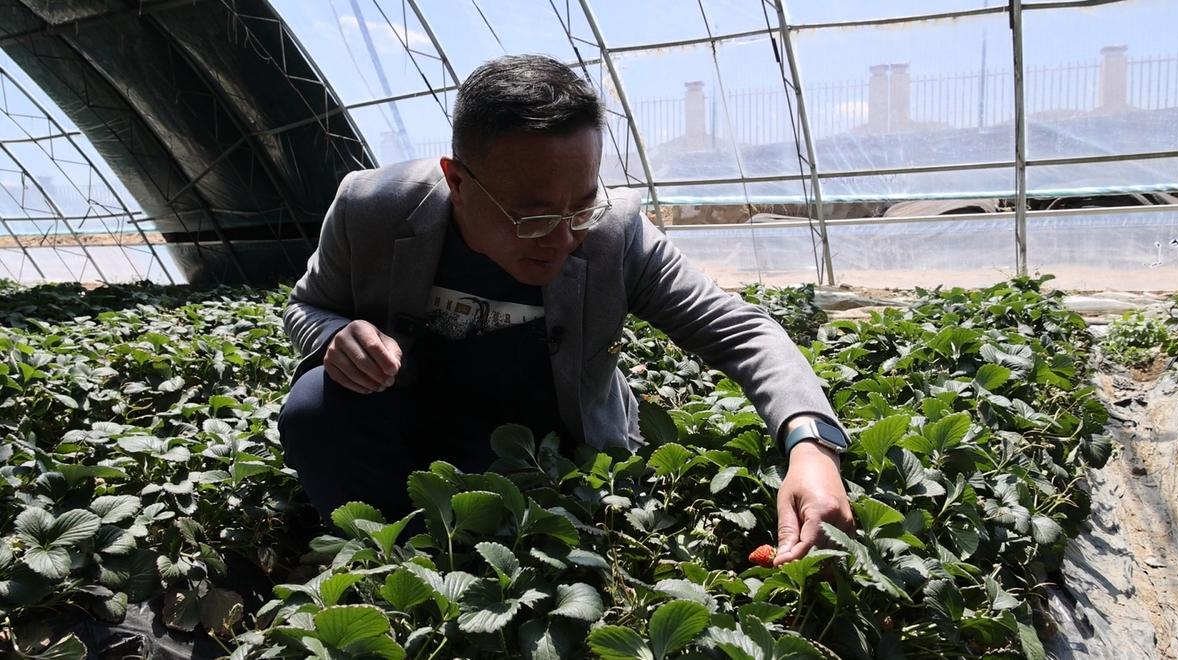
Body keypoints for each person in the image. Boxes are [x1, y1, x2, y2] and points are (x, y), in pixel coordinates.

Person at [278, 54, 852, 566]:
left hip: (552, 454)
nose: (562, 238)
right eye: (531, 217)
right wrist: (334, 337)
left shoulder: (614, 233)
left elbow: (741, 331)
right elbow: (308, 306)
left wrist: (811, 446)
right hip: (415, 433)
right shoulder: (372, 209)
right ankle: (391, 563)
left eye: (581, 205)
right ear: (458, 181)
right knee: (313, 408)